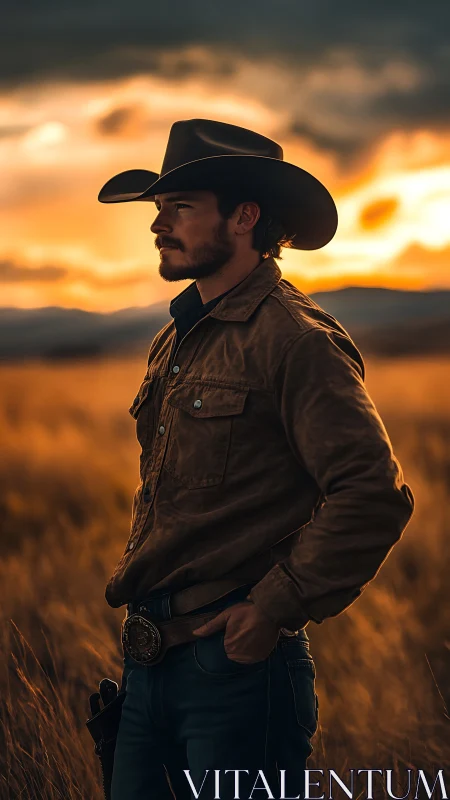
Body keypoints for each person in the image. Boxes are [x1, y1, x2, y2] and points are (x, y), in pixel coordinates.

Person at [97, 119, 415, 800]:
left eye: (181, 208)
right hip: (151, 663)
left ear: (245, 217)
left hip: (236, 668)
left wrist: (274, 606)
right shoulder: (176, 337)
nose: (160, 226)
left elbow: (371, 492)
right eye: (159, 210)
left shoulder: (296, 341)